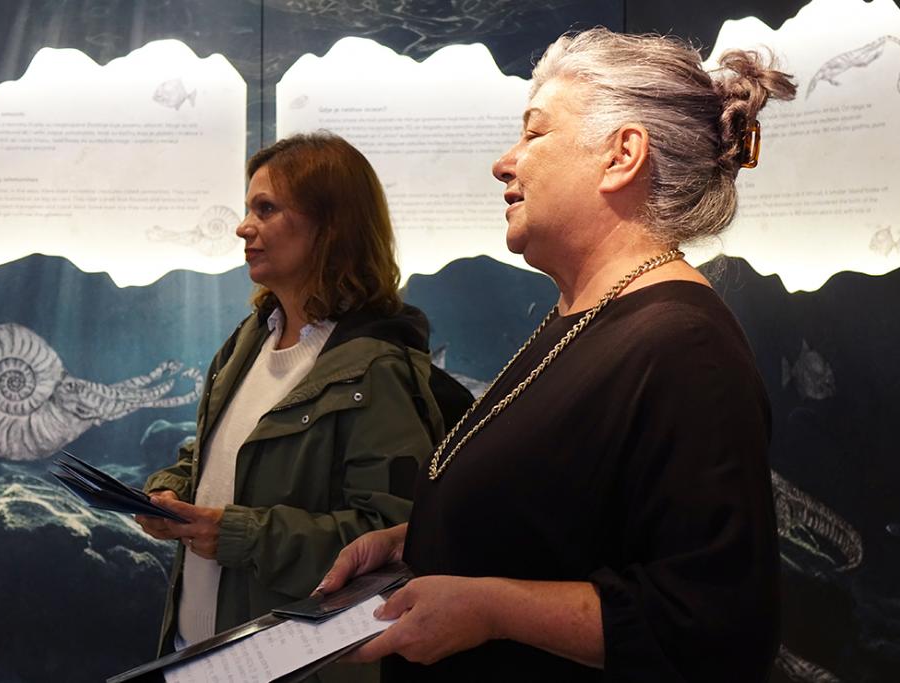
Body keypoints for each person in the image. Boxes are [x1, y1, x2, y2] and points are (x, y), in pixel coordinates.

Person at [315, 28, 797, 682]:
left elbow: (717, 626)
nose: (504, 162)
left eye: (534, 133)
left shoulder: (686, 348)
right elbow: (563, 521)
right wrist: (419, 543)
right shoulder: (585, 313)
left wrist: (493, 609)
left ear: (621, 155)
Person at [135, 133, 445, 669]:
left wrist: (238, 535)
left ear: (330, 227)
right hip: (199, 655)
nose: (243, 227)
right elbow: (215, 458)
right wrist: (171, 493)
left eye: (266, 209)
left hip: (287, 666)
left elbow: (390, 540)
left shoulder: (377, 369)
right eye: (248, 208)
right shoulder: (249, 340)